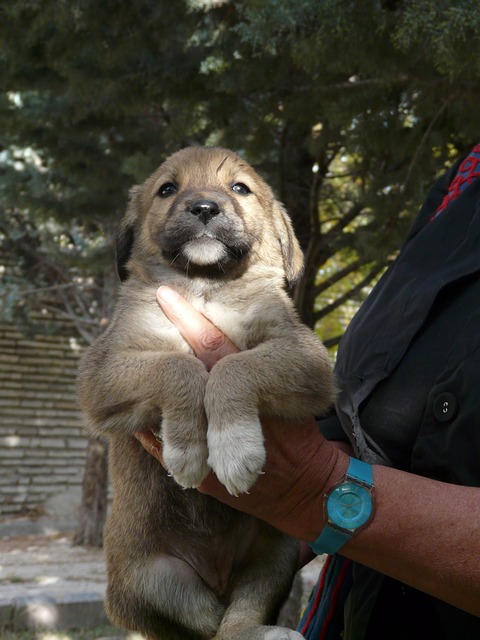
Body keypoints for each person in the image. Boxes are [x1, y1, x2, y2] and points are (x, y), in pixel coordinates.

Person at [135, 146, 480, 639]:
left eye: (239, 189)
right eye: (168, 190)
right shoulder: (462, 182)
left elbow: (313, 434)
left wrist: (314, 492)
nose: (204, 203)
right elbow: (359, 417)